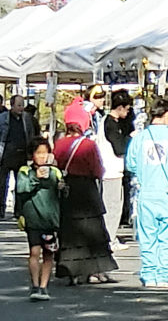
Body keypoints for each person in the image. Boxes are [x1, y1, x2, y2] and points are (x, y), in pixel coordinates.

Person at [126, 99, 168, 287]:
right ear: (167, 116)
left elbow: (130, 164)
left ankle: (149, 275)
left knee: (147, 236)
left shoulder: (139, 137)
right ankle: (164, 275)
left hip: (145, 193)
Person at [54, 116, 119, 284]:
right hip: (86, 190)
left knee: (70, 232)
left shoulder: (59, 144)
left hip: (67, 189)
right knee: (93, 231)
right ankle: (94, 270)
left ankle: (71, 271)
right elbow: (97, 169)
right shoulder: (88, 145)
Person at [14, 139, 64, 300]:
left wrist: (62, 186)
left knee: (49, 253)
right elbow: (22, 189)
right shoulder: (24, 171)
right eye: (39, 153)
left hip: (50, 220)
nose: (42, 157)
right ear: (32, 155)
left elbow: (61, 192)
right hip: (33, 219)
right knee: (34, 251)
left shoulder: (55, 172)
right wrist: (35, 177)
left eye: (45, 153)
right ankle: (35, 285)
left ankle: (44, 286)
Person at [101, 90, 136, 233]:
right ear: (120, 107)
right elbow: (120, 148)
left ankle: (111, 235)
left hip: (113, 170)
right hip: (110, 170)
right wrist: (131, 137)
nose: (128, 113)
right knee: (112, 206)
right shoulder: (110, 124)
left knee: (115, 204)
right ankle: (110, 237)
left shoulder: (111, 122)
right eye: (127, 109)